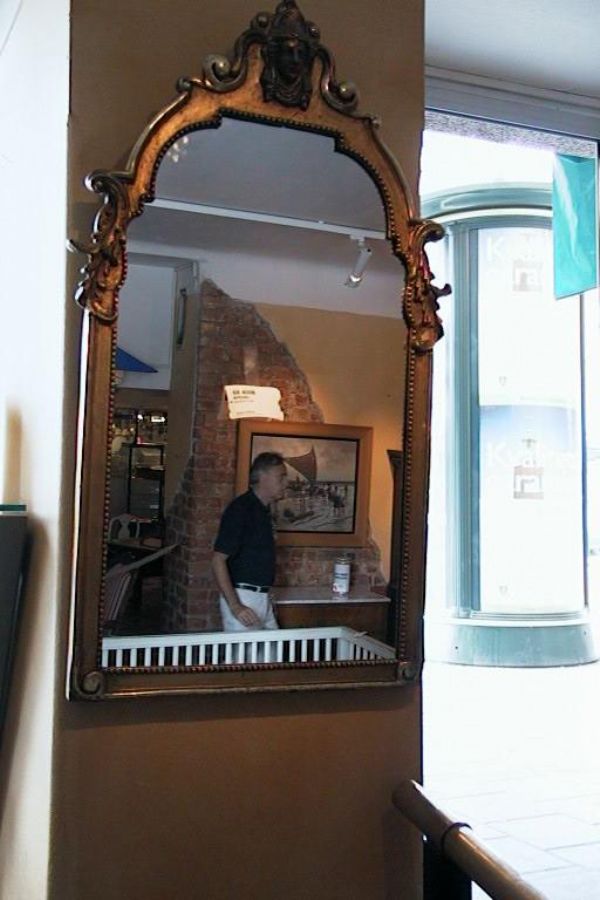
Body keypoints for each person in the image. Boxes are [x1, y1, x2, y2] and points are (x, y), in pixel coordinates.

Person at [212, 452, 288, 631]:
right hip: (243, 597)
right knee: (245, 651)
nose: (286, 483)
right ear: (263, 477)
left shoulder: (263, 511)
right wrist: (235, 606)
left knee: (274, 649)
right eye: (281, 477)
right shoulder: (241, 509)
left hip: (262, 596)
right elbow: (218, 560)